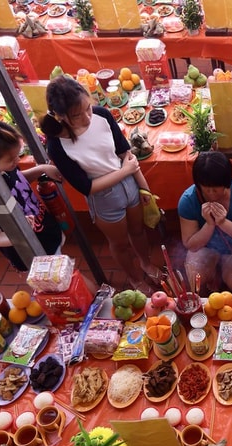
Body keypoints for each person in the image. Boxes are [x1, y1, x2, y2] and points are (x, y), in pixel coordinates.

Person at [40, 75, 162, 293]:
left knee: (138, 231)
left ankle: (146, 263)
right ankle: (135, 279)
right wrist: (124, 171)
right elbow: (87, 188)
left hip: (129, 184)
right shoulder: (57, 145)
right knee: (119, 243)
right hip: (104, 197)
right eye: (77, 115)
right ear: (60, 116)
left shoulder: (102, 115)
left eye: (88, 108)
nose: (87, 117)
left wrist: (143, 187)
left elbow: (125, 153)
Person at [0, 120, 64, 271]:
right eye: (11, 159)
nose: (17, 160)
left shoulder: (5, 166)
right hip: (32, 253)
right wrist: (22, 231)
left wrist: (41, 169)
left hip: (46, 233)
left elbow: (16, 180)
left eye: (17, 155)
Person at [178, 151, 232, 294]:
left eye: (216, 189)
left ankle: (222, 272)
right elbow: (190, 244)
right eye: (207, 189)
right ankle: (214, 272)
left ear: (227, 183)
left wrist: (223, 222)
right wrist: (209, 224)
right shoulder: (188, 200)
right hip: (207, 248)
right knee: (195, 278)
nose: (212, 194)